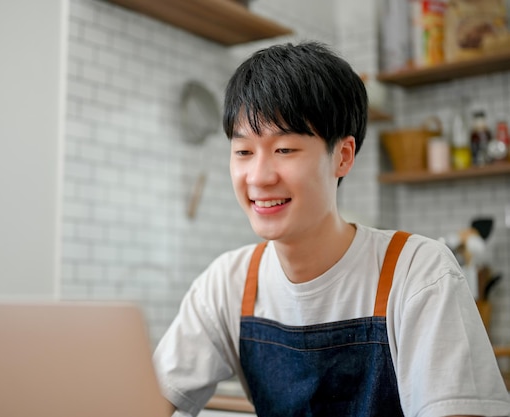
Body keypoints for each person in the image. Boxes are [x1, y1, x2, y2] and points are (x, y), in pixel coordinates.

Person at [153, 41, 510, 417]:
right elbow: (142, 402)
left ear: (343, 156)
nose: (258, 177)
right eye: (243, 152)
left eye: (284, 150)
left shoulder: (418, 273)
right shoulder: (228, 284)